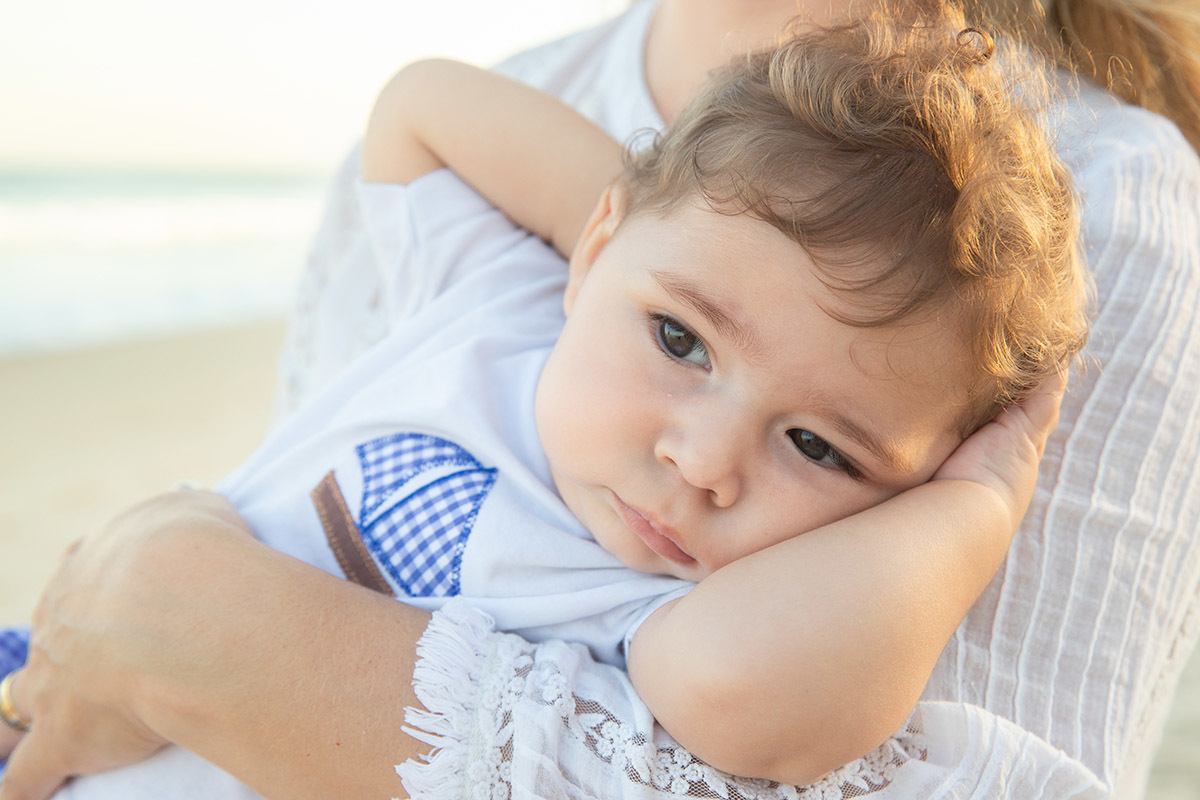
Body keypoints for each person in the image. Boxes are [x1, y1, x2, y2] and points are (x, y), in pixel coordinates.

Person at [1, 0, 1197, 798]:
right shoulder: (505, 295)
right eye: (682, 338)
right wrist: (677, 236)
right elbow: (416, 107)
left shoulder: (666, 606)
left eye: (819, 447)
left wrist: (977, 506)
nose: (703, 457)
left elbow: (740, 700)